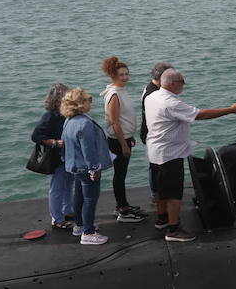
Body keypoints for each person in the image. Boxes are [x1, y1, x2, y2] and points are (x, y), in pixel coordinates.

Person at [143, 68, 236, 242]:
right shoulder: (171, 103)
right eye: (182, 82)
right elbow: (201, 115)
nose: (183, 86)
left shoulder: (151, 97)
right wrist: (231, 109)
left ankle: (162, 219)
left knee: (161, 190)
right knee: (174, 194)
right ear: (173, 84)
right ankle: (173, 230)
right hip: (170, 154)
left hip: (154, 151)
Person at [61, 87, 112, 245]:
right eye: (88, 100)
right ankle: (88, 233)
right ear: (80, 104)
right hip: (86, 167)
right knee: (90, 198)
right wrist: (94, 169)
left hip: (74, 165)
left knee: (79, 196)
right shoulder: (84, 124)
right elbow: (88, 150)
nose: (91, 102)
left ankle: (79, 225)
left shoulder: (69, 121)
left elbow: (65, 144)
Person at [100, 56, 146, 223]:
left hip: (125, 138)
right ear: (113, 76)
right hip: (118, 141)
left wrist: (130, 137)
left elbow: (124, 118)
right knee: (120, 175)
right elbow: (114, 122)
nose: (126, 77)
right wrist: (123, 144)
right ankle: (123, 210)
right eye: (122, 75)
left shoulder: (120, 90)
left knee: (122, 173)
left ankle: (123, 204)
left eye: (127, 74)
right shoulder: (114, 94)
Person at [31, 83, 74, 230]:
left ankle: (67, 211)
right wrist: (55, 143)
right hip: (57, 157)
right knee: (57, 187)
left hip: (67, 156)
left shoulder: (65, 114)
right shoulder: (50, 116)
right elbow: (36, 135)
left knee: (68, 184)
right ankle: (57, 219)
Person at [140, 61, 173, 230]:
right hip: (152, 137)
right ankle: (157, 195)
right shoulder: (154, 94)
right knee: (155, 169)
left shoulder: (148, 89)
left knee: (153, 167)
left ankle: (156, 194)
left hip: (147, 134)